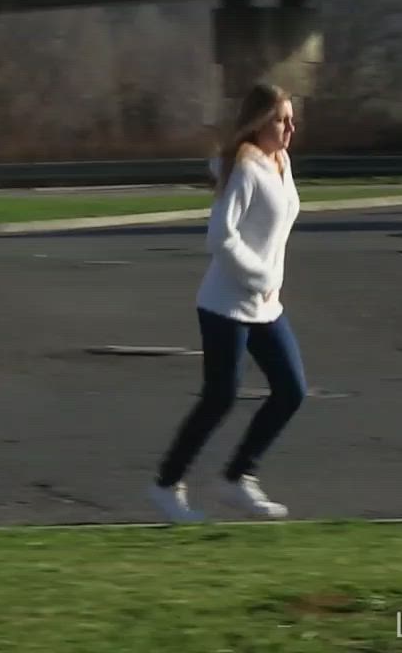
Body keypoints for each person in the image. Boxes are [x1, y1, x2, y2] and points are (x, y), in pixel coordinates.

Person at [148, 82, 308, 523]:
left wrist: (268, 284)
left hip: (264, 304)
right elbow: (220, 236)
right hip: (225, 303)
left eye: (292, 119)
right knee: (220, 397)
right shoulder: (244, 168)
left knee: (291, 391)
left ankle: (236, 478)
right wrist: (261, 277)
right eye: (281, 119)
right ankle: (166, 485)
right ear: (258, 122)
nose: (290, 127)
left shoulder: (281, 161)